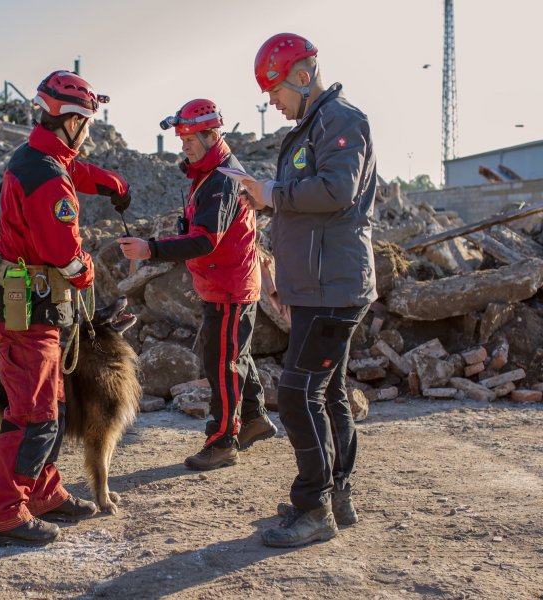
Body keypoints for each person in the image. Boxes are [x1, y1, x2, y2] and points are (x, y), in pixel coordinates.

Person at [0, 70, 132, 546]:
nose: (87, 134)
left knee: (50, 409)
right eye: (86, 124)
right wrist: (87, 268)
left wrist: (110, 182)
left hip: (37, 312)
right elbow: (65, 256)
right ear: (71, 121)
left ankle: (44, 493)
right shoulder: (47, 180)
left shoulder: (40, 159)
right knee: (33, 417)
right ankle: (5, 512)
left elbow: (72, 169)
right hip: (31, 314)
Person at [240, 34, 378, 548]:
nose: (272, 103)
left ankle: (314, 506)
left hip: (333, 289)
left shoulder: (340, 119)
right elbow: (308, 207)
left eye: (274, 90)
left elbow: (336, 191)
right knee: (328, 394)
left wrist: (272, 193)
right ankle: (335, 496)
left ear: (301, 75)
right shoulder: (313, 125)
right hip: (317, 285)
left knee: (298, 395)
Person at [117, 98, 278, 471]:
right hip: (227, 283)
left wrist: (150, 249)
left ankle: (222, 442)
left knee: (223, 364)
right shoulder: (210, 174)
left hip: (229, 286)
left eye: (190, 138)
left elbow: (207, 239)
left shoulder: (220, 178)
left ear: (211, 134)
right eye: (182, 138)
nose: (184, 145)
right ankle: (253, 420)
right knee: (233, 356)